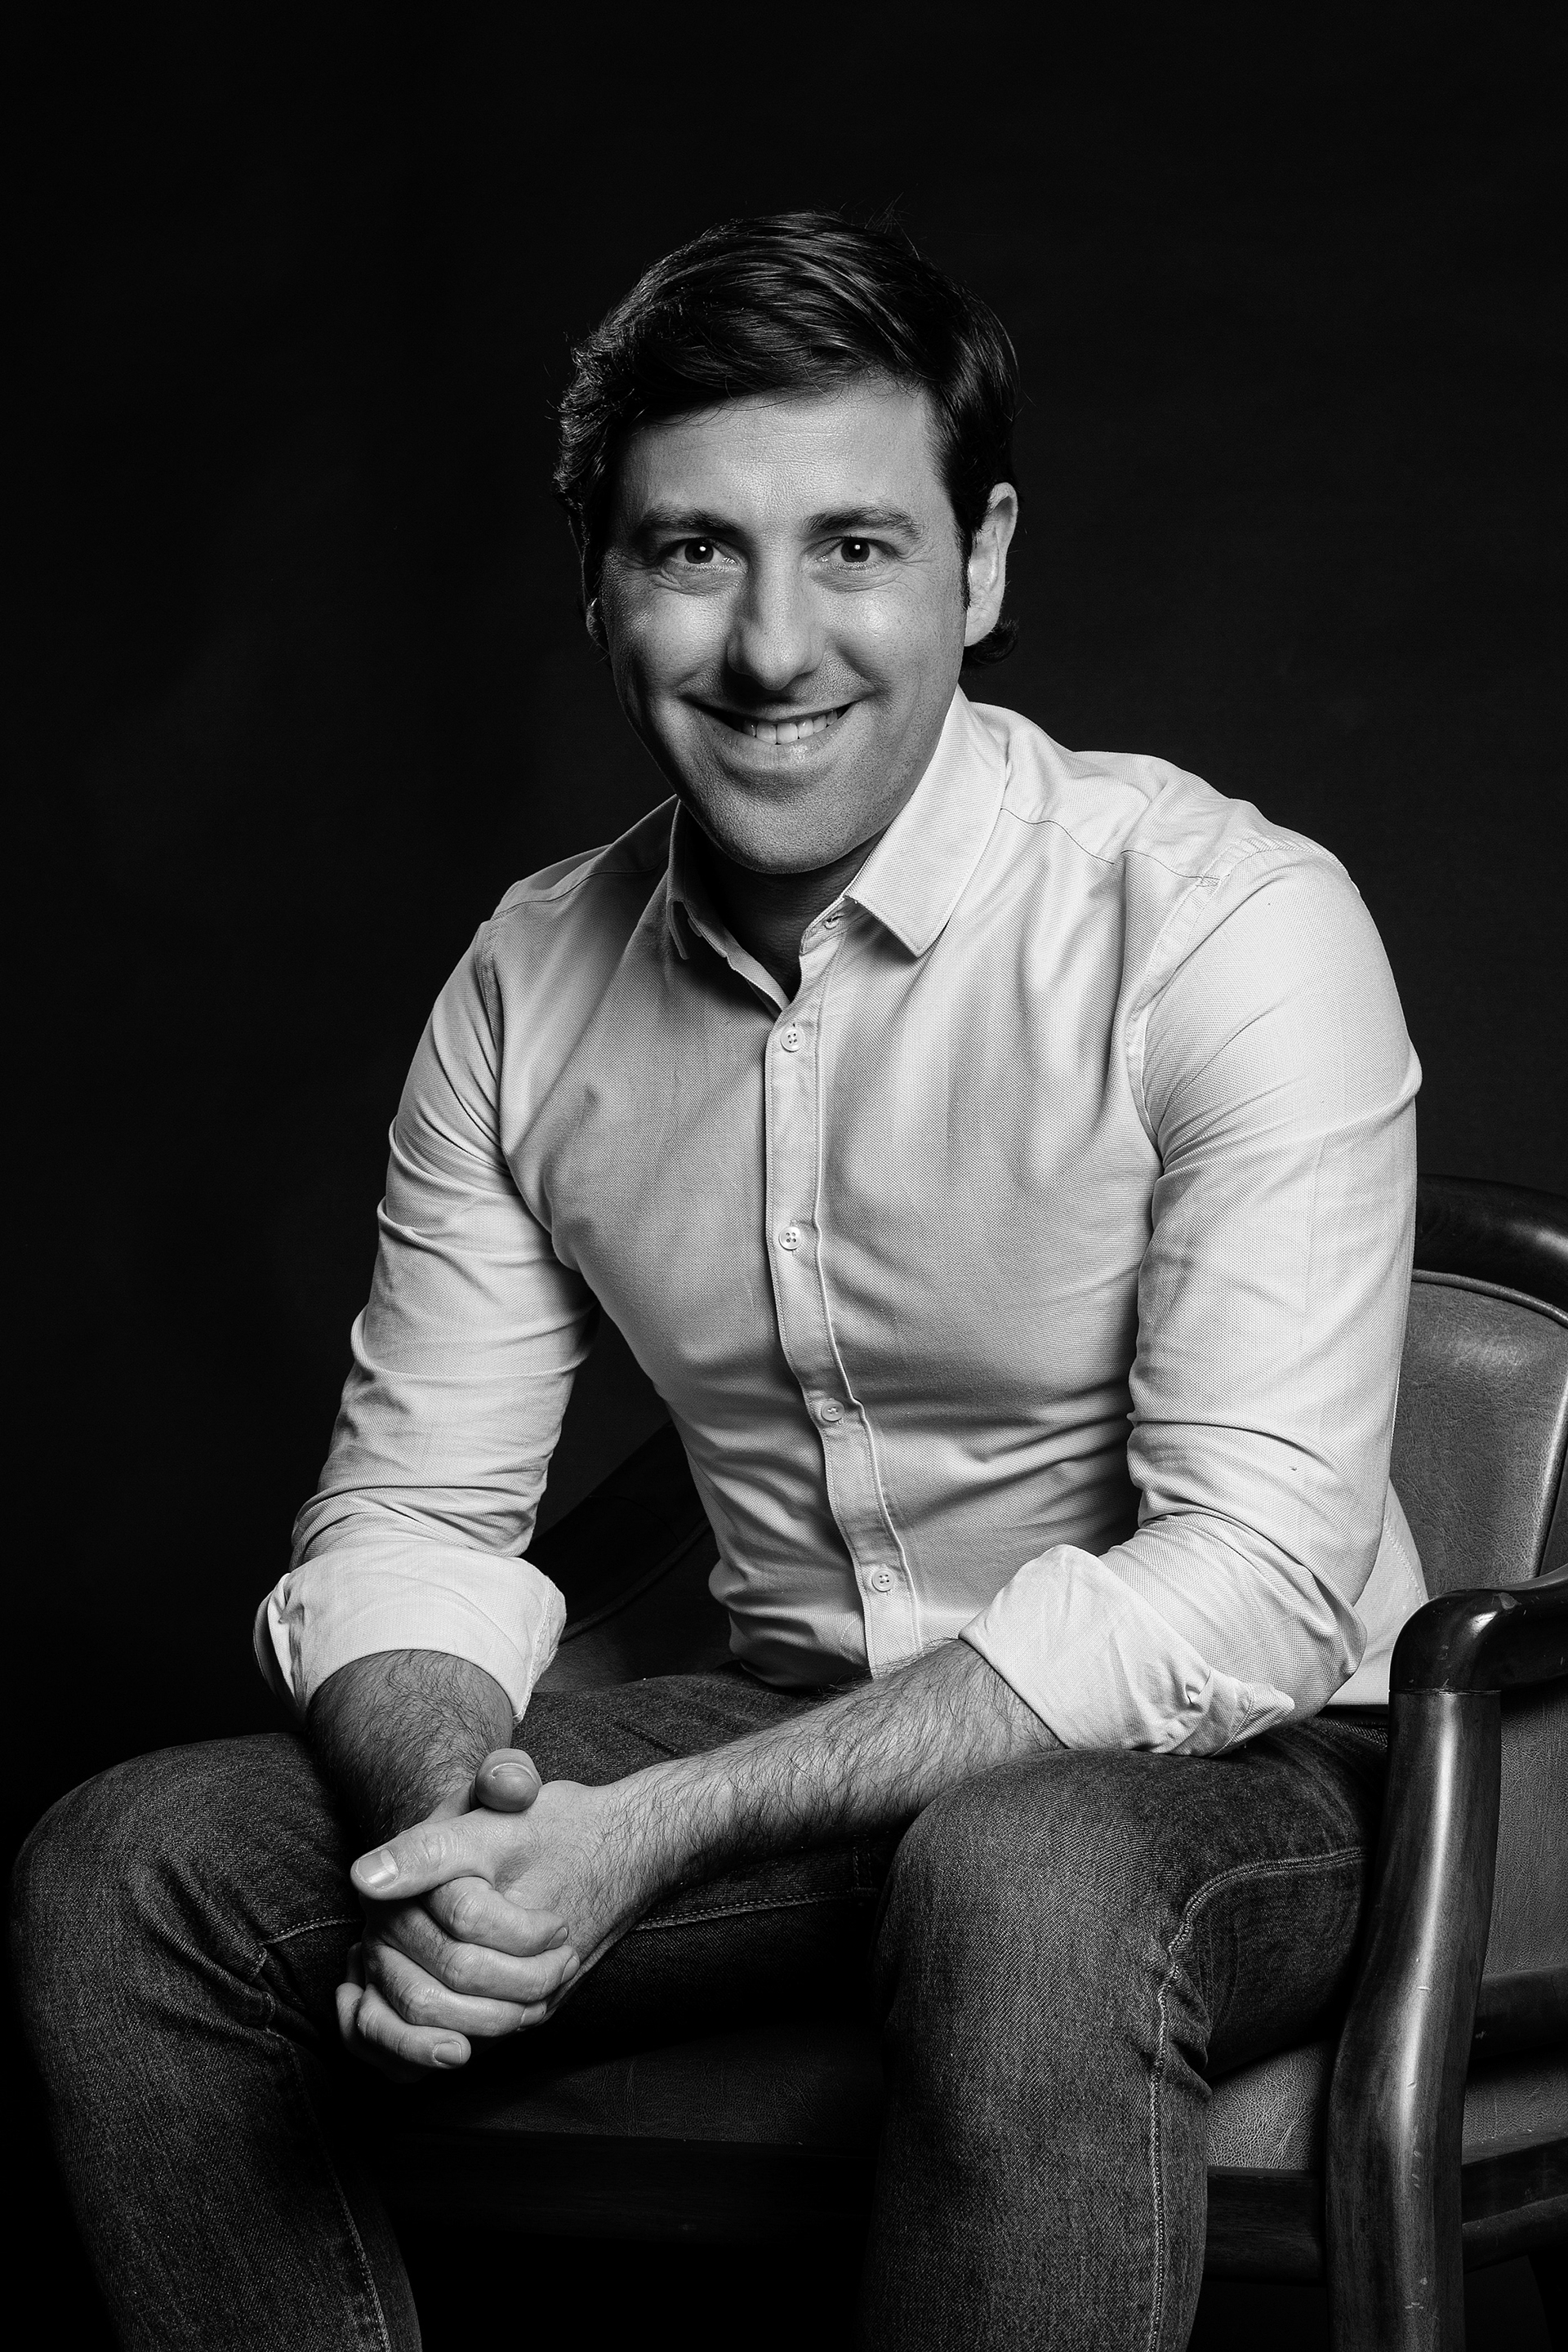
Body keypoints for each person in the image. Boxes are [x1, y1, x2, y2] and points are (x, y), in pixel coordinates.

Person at [13, 212, 1426, 2350]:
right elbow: (409, 1521)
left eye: (855, 545)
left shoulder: (1226, 924)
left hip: (1261, 1767)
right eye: (692, 551)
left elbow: (1252, 1582)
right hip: (802, 1735)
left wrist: (656, 1828)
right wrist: (465, 1836)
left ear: (982, 565)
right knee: (130, 1872)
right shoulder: (528, 984)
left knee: (1026, 1877)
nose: (773, 648)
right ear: (599, 582)